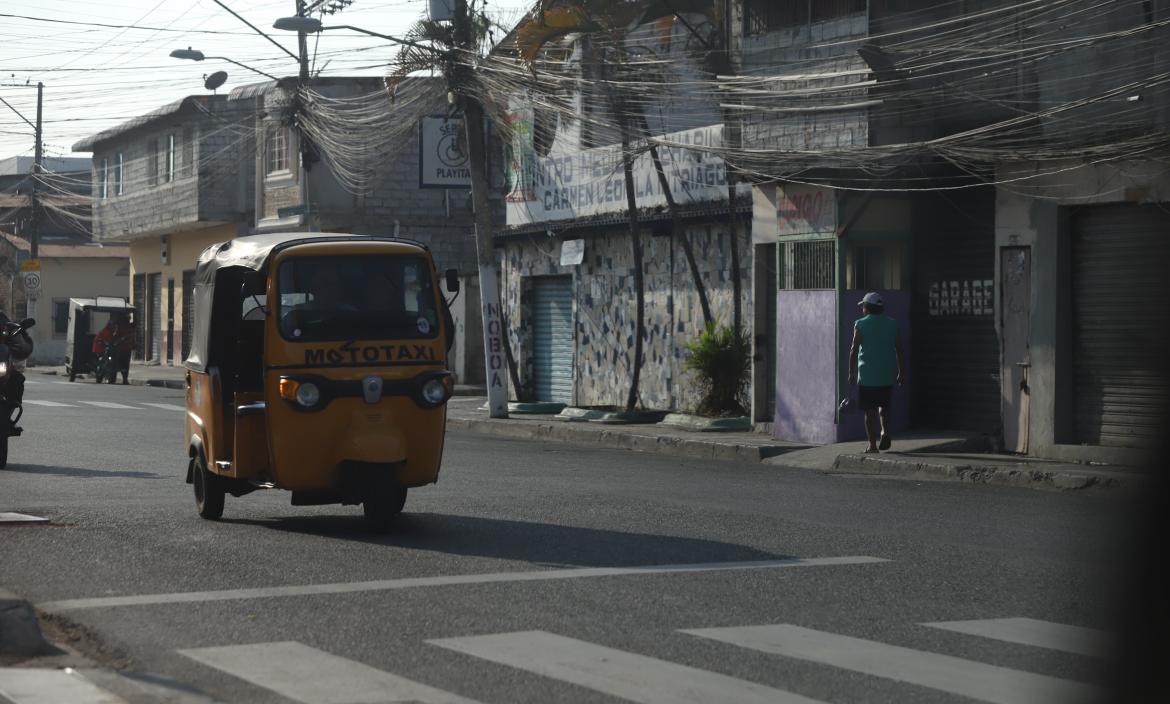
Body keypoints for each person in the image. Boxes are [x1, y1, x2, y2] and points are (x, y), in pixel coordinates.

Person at [848, 292, 905, 453]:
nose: (862, 309)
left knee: (869, 412)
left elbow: (853, 349)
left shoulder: (860, 324)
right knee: (884, 407)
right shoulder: (892, 324)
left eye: (863, 306)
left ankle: (872, 446)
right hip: (886, 374)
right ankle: (885, 432)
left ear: (867, 307)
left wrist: (851, 372)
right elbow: (899, 350)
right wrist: (901, 372)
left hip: (867, 376)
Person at [92, 314, 135, 384]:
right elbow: (107, 339)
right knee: (103, 360)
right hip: (112, 349)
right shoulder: (107, 330)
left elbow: (129, 338)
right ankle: (100, 373)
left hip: (123, 349)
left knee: (123, 365)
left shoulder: (127, 328)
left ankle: (124, 379)